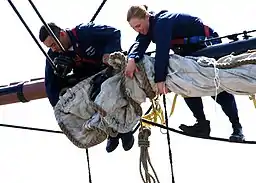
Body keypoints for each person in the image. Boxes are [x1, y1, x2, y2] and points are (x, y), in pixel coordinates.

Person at [125, 5, 245, 142]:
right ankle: (202, 125)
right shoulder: (148, 29)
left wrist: (160, 80)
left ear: (147, 17)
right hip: (188, 53)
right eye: (134, 28)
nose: (138, 30)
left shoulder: (162, 22)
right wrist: (132, 59)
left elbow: (162, 51)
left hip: (206, 46)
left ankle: (237, 127)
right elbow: (139, 44)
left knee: (215, 86)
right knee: (183, 84)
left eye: (138, 26)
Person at [39, 22, 134, 152]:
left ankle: (124, 130)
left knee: (105, 93)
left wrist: (109, 53)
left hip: (107, 71)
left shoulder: (84, 32)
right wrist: (59, 108)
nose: (53, 49)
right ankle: (113, 132)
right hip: (88, 81)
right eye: (50, 47)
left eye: (54, 44)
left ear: (62, 34)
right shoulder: (54, 55)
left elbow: (114, 33)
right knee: (87, 101)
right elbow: (51, 85)